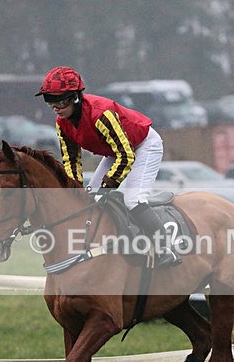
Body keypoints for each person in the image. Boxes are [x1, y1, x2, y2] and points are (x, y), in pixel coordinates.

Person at [36, 66, 180, 266]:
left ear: (75, 97)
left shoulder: (100, 114)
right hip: (116, 151)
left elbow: (127, 155)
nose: (55, 107)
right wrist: (73, 190)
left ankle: (166, 248)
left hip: (144, 144)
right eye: (49, 101)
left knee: (133, 200)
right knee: (89, 198)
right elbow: (71, 161)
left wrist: (108, 185)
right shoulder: (62, 123)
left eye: (59, 100)